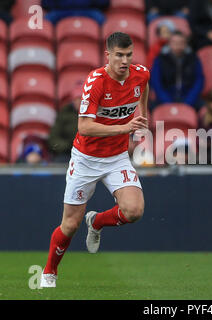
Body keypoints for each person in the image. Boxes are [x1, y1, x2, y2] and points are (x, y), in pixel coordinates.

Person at [40, 32, 150, 288]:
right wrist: (126, 128)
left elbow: (144, 87)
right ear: (108, 55)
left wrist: (143, 113)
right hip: (86, 158)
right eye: (119, 55)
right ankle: (49, 272)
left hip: (117, 157)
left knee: (134, 211)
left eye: (129, 55)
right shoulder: (95, 82)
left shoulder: (141, 73)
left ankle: (97, 221)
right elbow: (85, 127)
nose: (125, 60)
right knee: (70, 224)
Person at [150, 30, 204, 111]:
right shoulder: (160, 59)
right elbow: (156, 83)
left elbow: (199, 80)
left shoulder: (194, 59)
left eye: (181, 43)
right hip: (165, 99)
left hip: (189, 99)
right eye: (175, 43)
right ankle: (159, 124)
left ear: (185, 44)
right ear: (169, 44)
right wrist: (167, 102)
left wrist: (188, 102)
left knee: (205, 109)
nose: (178, 45)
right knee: (154, 113)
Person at [48, 81, 83, 163]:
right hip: (68, 153)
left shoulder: (95, 114)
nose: (79, 102)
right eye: (76, 99)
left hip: (88, 153)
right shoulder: (64, 114)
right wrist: (69, 145)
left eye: (81, 99)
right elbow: (53, 140)